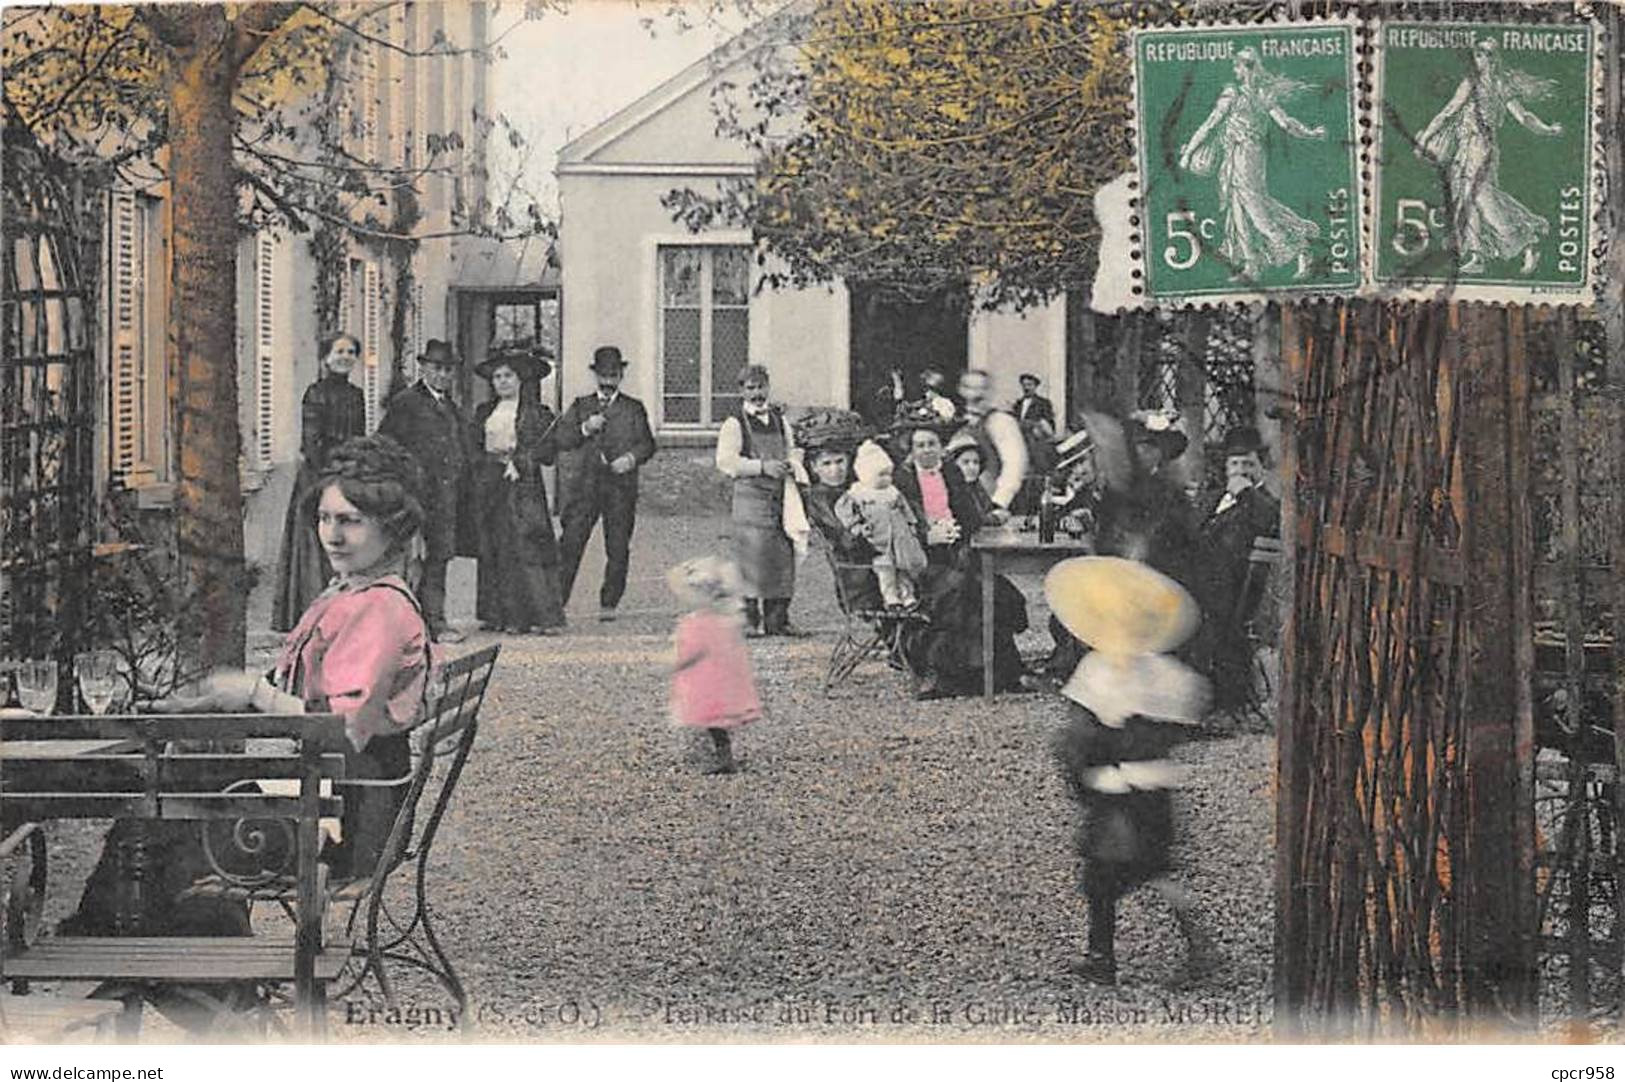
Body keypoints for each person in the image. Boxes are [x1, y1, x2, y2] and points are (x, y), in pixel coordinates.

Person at [65, 436, 439, 950]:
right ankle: (176, 955)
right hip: (344, 795)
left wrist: (253, 693)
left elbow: (342, 729)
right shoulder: (357, 593)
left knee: (171, 808)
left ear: (391, 528)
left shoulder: (379, 609)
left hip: (347, 820)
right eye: (326, 519)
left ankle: (154, 958)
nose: (333, 534)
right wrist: (211, 702)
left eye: (351, 521)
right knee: (180, 793)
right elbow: (313, 699)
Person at [1046, 556, 1218, 987]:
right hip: (1154, 787)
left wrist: (1085, 758)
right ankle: (1191, 946)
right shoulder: (1173, 677)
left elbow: (1081, 730)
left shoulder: (1099, 672)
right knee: (1151, 869)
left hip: (1118, 792)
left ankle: (1106, 956)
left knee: (1108, 875)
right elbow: (1187, 716)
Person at [1416, 38, 1563, 276]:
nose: (1480, 58)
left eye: (1485, 54)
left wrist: (1547, 129)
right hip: (1466, 147)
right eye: (1477, 53)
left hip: (1481, 147)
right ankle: (1478, 255)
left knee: (1481, 197)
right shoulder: (1473, 83)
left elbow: (1523, 116)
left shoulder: (1496, 84)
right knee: (1468, 197)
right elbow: (1448, 112)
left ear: (1494, 59)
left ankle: (1526, 239)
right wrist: (1426, 137)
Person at [1178, 46, 1327, 282]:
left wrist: (1188, 155)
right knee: (1239, 208)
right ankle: (1253, 265)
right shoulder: (1257, 94)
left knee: (1255, 208)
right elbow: (1285, 123)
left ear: (1245, 68)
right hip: (1240, 155)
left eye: (1237, 65)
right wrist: (1310, 133)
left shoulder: (1238, 94)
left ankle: (1301, 248)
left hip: (1246, 155)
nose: (1234, 70)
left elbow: (1209, 125)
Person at [378, 338, 472, 643]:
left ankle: (436, 622)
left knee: (439, 558)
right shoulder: (406, 403)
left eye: (448, 370)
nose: (443, 375)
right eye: (437, 368)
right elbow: (386, 445)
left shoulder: (451, 408)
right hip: (417, 496)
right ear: (424, 368)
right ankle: (408, 624)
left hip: (446, 497)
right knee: (411, 560)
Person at [272, 333, 367, 632]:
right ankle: (313, 613)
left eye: (351, 352)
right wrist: (332, 476)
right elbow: (312, 443)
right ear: (325, 357)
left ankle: (343, 611)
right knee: (317, 543)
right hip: (319, 477)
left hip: (347, 475)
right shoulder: (315, 394)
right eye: (339, 351)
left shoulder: (356, 395)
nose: (345, 356)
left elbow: (359, 438)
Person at [555, 346, 657, 622]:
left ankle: (609, 603)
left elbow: (648, 444)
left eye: (614, 375)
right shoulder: (581, 405)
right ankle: (556, 603)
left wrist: (631, 459)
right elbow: (562, 439)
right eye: (604, 375)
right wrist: (585, 428)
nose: (609, 381)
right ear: (595, 374)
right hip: (585, 487)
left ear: (621, 375)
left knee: (618, 546)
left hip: (620, 489)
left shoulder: (634, 408)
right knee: (570, 543)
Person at [471, 349, 566, 635]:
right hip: (491, 485)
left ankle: (537, 616)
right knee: (494, 546)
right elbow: (472, 446)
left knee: (526, 546)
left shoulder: (536, 414)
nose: (502, 382)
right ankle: (498, 615)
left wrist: (522, 462)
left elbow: (549, 451)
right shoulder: (484, 412)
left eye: (508, 376)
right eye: (497, 377)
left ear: (520, 379)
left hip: (524, 487)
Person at [1195, 426, 1281, 714]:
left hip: (1236, 587)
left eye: (1249, 464)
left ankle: (1219, 699)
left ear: (1260, 468)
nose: (1241, 470)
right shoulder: (1213, 497)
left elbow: (1271, 520)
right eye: (1235, 464)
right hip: (1202, 576)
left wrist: (1247, 494)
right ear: (1225, 467)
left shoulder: (1264, 503)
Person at [715, 364, 805, 636]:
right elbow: (726, 462)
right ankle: (749, 620)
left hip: (780, 497)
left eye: (761, 386)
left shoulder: (780, 419)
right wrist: (763, 467)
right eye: (750, 388)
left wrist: (792, 464)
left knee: (781, 557)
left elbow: (792, 449)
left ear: (768, 387)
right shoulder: (734, 423)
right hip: (751, 500)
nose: (757, 393)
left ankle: (779, 620)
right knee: (752, 558)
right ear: (741, 391)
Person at [668, 556, 761, 775]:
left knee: (712, 722)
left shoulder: (698, 623)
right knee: (716, 723)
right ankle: (722, 754)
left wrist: (673, 667)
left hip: (707, 683)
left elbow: (693, 653)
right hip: (725, 681)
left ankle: (723, 758)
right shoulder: (724, 620)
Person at [836, 442, 928, 610]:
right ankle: (891, 598)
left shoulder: (893, 493)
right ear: (866, 475)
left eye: (889, 474)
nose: (887, 479)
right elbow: (845, 512)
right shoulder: (858, 494)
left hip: (899, 537)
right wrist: (857, 527)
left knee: (903, 568)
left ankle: (908, 596)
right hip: (877, 541)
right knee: (885, 570)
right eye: (881, 475)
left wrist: (911, 524)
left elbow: (905, 509)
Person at [802, 443, 883, 612]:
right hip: (855, 566)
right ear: (814, 467)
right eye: (827, 464)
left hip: (870, 557)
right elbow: (843, 535)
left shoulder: (856, 489)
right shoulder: (817, 496)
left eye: (840, 462)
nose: (835, 469)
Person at [893, 424, 984, 567]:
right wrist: (926, 536)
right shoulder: (903, 478)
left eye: (932, 444)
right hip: (921, 549)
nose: (927, 450)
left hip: (955, 544)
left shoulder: (952, 472)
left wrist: (958, 531)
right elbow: (899, 522)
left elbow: (969, 513)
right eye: (920, 446)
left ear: (941, 447)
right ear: (912, 450)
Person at [956, 368, 1027, 522]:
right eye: (967, 387)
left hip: (992, 504)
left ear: (988, 392)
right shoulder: (957, 422)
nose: (972, 394)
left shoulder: (1000, 422)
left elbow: (1014, 466)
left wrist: (999, 503)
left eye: (979, 389)